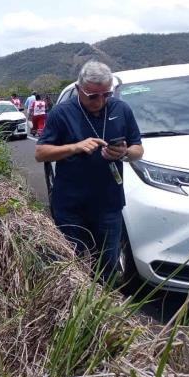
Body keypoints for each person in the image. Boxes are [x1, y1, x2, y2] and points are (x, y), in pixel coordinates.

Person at [34, 61, 144, 281]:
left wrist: (124, 153)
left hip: (108, 204)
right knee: (68, 264)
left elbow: (138, 149)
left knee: (107, 267)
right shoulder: (61, 113)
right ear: (78, 89)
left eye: (106, 94)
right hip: (70, 206)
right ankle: (71, 308)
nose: (100, 101)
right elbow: (40, 153)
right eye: (93, 96)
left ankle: (100, 310)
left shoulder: (121, 109)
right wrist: (75, 147)